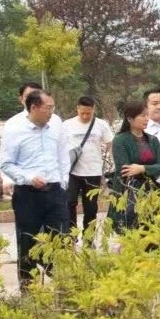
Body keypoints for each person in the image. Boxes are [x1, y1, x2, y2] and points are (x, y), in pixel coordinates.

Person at [0, 90, 70, 289]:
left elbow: (63, 156)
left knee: (61, 238)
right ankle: (28, 288)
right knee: (27, 241)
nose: (52, 112)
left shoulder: (55, 126)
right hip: (28, 194)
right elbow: (6, 164)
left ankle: (64, 285)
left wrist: (63, 182)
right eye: (48, 108)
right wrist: (28, 178)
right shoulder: (15, 129)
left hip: (55, 192)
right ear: (33, 107)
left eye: (53, 107)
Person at [109, 100, 160, 230]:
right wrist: (151, 169)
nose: (147, 119)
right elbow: (125, 169)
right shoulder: (120, 140)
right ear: (130, 119)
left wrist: (142, 168)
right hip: (128, 192)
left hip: (151, 192)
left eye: (147, 115)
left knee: (152, 231)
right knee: (129, 230)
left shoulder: (153, 140)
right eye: (142, 115)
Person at [63, 95, 112, 235]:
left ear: (93, 110)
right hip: (72, 171)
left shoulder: (101, 124)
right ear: (77, 109)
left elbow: (110, 143)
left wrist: (113, 163)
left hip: (93, 172)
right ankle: (71, 237)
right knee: (69, 203)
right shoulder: (67, 125)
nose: (85, 116)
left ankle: (89, 238)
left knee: (91, 208)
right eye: (82, 113)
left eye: (88, 113)